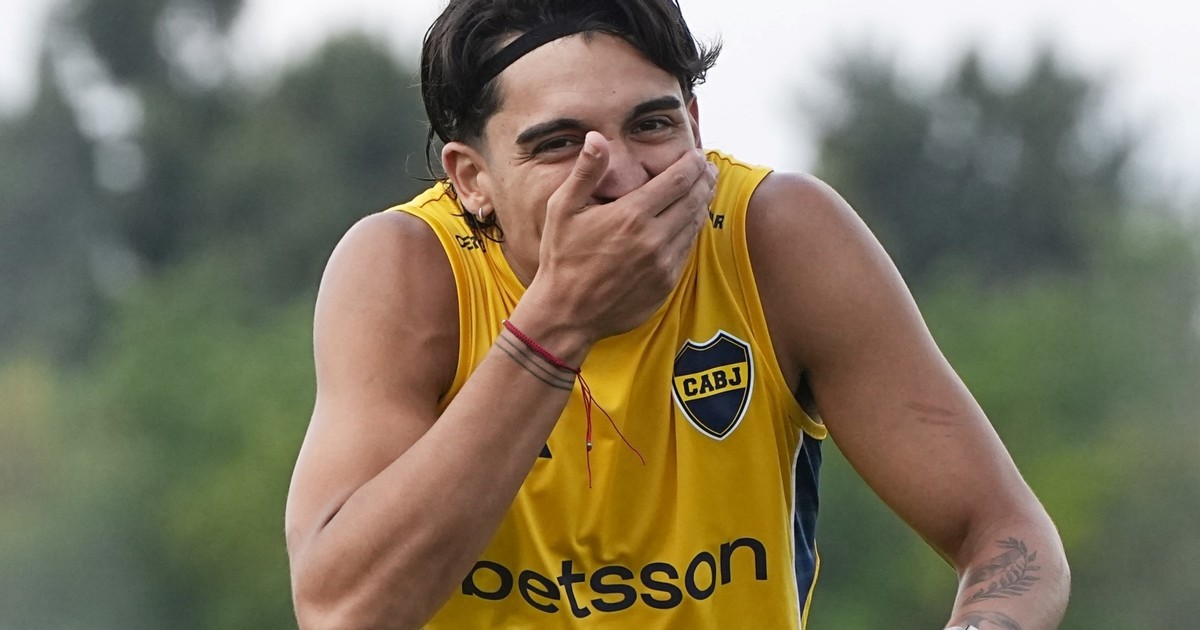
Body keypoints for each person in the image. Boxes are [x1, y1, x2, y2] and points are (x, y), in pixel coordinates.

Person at [284, 1, 1070, 628]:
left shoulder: (775, 238)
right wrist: (559, 321)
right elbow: (344, 610)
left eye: (652, 125)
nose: (623, 176)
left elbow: (1008, 535)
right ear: (471, 180)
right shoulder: (407, 269)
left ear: (695, 124)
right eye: (560, 144)